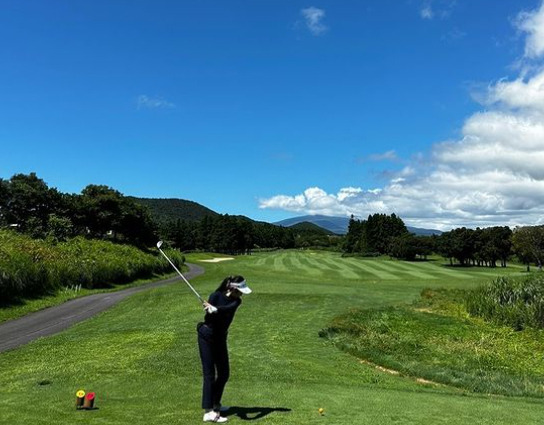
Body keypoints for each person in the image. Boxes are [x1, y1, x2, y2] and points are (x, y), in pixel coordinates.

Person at [197, 275, 252, 423]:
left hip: (220, 338)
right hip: (206, 336)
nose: (241, 294)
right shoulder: (215, 296)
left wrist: (216, 309)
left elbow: (227, 309)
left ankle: (216, 404)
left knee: (224, 373)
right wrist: (209, 309)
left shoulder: (236, 301)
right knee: (209, 374)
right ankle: (208, 412)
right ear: (232, 288)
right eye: (239, 291)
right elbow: (209, 317)